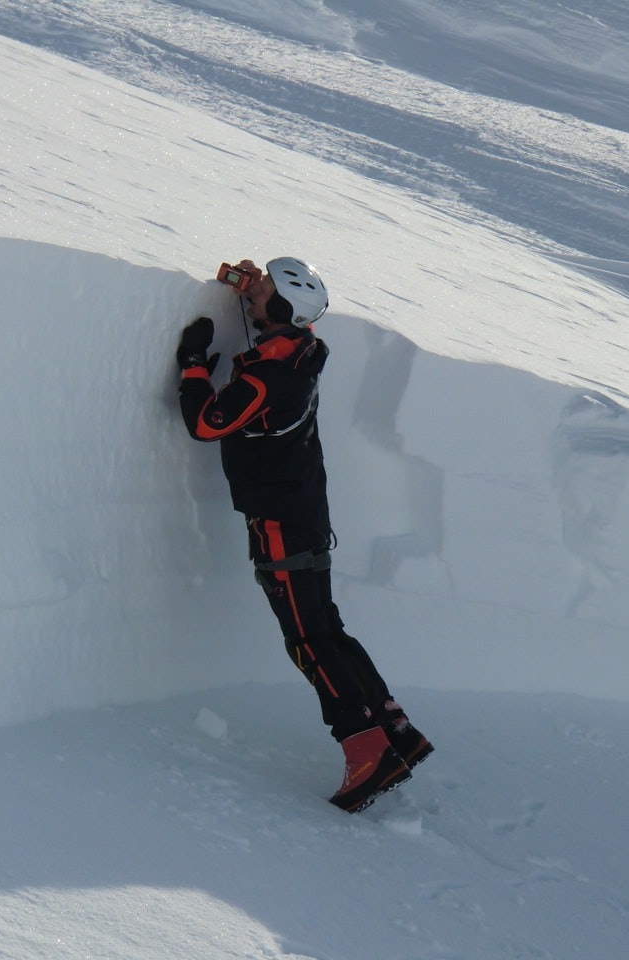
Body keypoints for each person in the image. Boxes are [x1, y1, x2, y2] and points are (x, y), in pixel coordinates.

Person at [176, 256, 433, 813]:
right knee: (328, 630)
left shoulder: (269, 377)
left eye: (268, 282)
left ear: (283, 309)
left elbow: (206, 424)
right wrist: (255, 295)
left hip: (278, 526)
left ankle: (367, 751)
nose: (259, 281)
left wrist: (193, 365)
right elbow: (283, 325)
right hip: (306, 515)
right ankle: (395, 731)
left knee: (307, 642)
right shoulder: (302, 349)